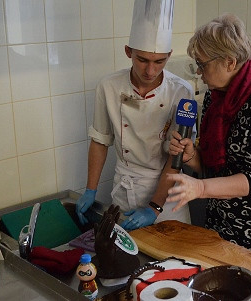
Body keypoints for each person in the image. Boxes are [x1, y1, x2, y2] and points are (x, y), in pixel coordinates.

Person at [166, 13, 251, 269]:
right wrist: (192, 155)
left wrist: (200, 189)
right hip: (221, 231)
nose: (200, 73)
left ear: (229, 61)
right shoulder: (216, 98)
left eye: (202, 64)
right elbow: (215, 167)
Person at [76, 0, 195, 231]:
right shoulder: (108, 86)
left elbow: (177, 156)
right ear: (128, 51)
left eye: (159, 61)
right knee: (126, 260)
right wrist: (90, 189)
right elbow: (100, 140)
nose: (150, 71)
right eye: (142, 60)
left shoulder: (181, 92)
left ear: (169, 55)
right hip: (124, 187)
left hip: (167, 196)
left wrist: (154, 207)